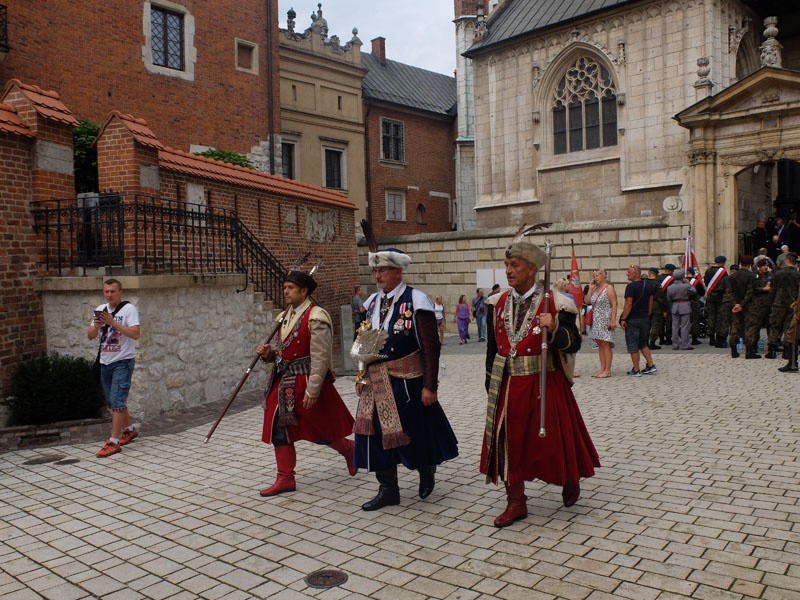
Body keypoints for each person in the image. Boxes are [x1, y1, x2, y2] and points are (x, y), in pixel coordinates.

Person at [482, 234, 599, 527]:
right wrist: (490, 384)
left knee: (556, 439)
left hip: (545, 382)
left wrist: (556, 328)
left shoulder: (558, 303)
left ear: (533, 268)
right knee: (508, 441)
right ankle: (516, 502)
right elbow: (492, 349)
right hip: (508, 384)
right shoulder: (496, 303)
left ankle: (570, 479)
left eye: (515, 265)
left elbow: (573, 344)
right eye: (507, 265)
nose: (508, 271)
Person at [354, 248, 459, 511]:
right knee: (376, 434)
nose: (377, 275)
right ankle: (388, 488)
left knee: (414, 433)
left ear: (398, 272)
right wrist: (361, 374)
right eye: (375, 270)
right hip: (377, 380)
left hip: (407, 381)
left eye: (383, 270)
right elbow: (366, 340)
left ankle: (426, 468)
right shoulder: (373, 303)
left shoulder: (416, 300)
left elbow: (430, 346)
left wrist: (429, 386)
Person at [256, 270, 356, 497]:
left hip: (305, 381)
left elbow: (320, 357)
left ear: (304, 291)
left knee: (319, 428)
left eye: (291, 288)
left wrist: (313, 388)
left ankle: (349, 450)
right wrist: (269, 353)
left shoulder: (316, 317)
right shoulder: (285, 316)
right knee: (278, 428)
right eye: (285, 287)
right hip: (283, 382)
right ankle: (285, 478)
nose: (286, 291)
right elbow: (283, 353)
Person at [88, 279, 141, 458]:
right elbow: (90, 336)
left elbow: (135, 334)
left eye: (112, 291)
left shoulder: (129, 310)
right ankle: (130, 430)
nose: (109, 295)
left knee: (117, 402)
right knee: (113, 402)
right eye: (106, 292)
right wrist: (96, 326)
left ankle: (113, 442)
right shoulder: (100, 309)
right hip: (105, 362)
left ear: (120, 292)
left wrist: (113, 323)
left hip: (123, 361)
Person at [619, 265, 656, 376]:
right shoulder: (647, 285)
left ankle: (636, 369)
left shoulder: (631, 287)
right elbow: (651, 302)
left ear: (636, 273)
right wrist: (647, 314)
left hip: (633, 319)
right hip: (644, 318)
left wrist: (623, 318)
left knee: (633, 344)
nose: (627, 274)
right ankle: (650, 365)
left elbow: (628, 304)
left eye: (629, 272)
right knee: (643, 343)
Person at [767, 252, 800, 360]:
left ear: (786, 261)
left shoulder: (778, 273)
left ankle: (771, 350)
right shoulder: (797, 274)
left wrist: (770, 303)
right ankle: (787, 351)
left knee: (774, 327)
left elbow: (772, 290)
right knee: (788, 328)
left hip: (778, 303)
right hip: (792, 304)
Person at [587, 268, 617, 378]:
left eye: (597, 275)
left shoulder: (608, 288)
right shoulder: (595, 288)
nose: (595, 278)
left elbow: (614, 303)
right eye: (594, 276)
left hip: (606, 318)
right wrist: (590, 289)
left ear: (604, 276)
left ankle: (607, 370)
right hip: (596, 319)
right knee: (599, 344)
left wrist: (613, 320)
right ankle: (602, 368)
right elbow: (587, 301)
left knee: (606, 344)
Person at [742, 257, 773, 359]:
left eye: (767, 265)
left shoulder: (770, 276)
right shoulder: (754, 276)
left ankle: (771, 348)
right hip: (756, 306)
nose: (766, 267)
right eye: (764, 265)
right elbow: (752, 289)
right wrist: (764, 289)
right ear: (759, 267)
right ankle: (750, 349)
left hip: (768, 305)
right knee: (754, 328)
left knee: (771, 328)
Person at [725, 256, 756, 358]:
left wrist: (736, 304)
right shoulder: (751, 276)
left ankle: (734, 351)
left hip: (735, 306)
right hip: (748, 306)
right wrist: (742, 304)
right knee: (749, 327)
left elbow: (729, 292)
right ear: (750, 264)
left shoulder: (732, 276)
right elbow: (750, 292)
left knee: (735, 327)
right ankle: (749, 352)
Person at [666, 269, 697, 350]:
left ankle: (675, 344)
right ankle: (685, 344)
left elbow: (668, 299)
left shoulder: (670, 287)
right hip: (684, 306)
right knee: (685, 327)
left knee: (675, 326)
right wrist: (688, 283)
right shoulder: (686, 286)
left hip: (675, 306)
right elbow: (694, 291)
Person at [703, 255, 728, 347]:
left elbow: (705, 281)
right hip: (720, 297)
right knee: (720, 317)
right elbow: (726, 283)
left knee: (711, 317)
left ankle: (711, 338)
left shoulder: (708, 271)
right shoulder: (723, 272)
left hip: (710, 296)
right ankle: (718, 337)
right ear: (723, 262)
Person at [645, 267, 665, 350]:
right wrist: (664, 308)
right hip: (656, 306)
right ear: (656, 274)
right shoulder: (657, 283)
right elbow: (660, 296)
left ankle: (645, 342)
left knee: (647, 326)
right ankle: (652, 342)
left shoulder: (644, 282)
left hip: (645, 306)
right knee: (656, 325)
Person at [659, 263, 678, 345]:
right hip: (668, 302)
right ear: (671, 271)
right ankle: (668, 339)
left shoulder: (658, 277)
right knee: (669, 322)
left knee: (660, 322)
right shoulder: (672, 280)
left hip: (658, 302)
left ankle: (661, 339)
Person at [688, 267, 706, 345]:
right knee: (695, 320)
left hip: (684, 303)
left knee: (684, 321)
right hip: (694, 303)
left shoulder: (682, 281)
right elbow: (701, 292)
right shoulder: (696, 282)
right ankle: (694, 338)